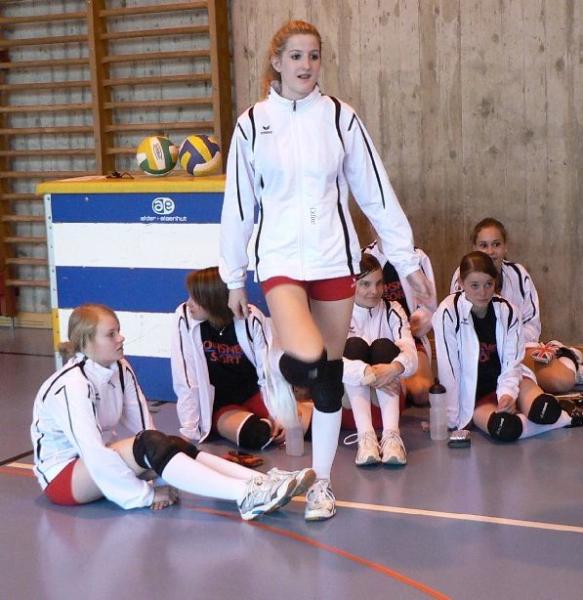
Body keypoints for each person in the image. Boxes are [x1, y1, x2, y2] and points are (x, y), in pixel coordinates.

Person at [219, 20, 434, 520]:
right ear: (277, 62)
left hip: (334, 260)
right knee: (309, 358)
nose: (306, 65)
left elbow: (375, 193)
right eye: (296, 56)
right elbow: (238, 205)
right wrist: (234, 276)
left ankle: (321, 484)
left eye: (313, 56)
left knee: (329, 379)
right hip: (278, 261)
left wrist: (405, 261)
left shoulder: (341, 117)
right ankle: (279, 366)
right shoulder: (252, 124)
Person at [31, 304, 314, 520]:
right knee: (150, 445)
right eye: (111, 334)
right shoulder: (71, 385)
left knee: (168, 442)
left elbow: (145, 428)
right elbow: (93, 453)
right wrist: (144, 495)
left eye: (119, 330)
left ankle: (261, 482)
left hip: (96, 465)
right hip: (65, 479)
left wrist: (163, 469)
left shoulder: (120, 368)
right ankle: (247, 495)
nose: (121, 338)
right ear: (85, 343)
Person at [435, 252, 583, 441]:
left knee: (544, 410)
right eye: (474, 285)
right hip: (475, 395)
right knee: (504, 428)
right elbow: (448, 370)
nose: (482, 292)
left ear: (495, 282)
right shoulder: (448, 312)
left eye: (488, 284)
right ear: (461, 283)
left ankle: (558, 408)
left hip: (510, 380)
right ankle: (569, 417)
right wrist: (450, 420)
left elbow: (512, 363)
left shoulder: (508, 311)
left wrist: (508, 395)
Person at [450, 217, 583, 393]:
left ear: (505, 247)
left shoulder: (519, 275)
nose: (490, 251)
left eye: (496, 244)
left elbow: (531, 325)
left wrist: (508, 347)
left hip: (516, 350)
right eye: (483, 245)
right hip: (478, 356)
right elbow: (457, 328)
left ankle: (568, 356)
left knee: (560, 381)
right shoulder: (463, 277)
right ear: (474, 248)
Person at [171, 267, 312, 448]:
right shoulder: (185, 317)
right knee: (255, 435)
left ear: (213, 300)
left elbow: (267, 370)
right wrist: (189, 430)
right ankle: (271, 418)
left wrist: (277, 414)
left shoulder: (250, 317)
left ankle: (309, 408)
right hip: (220, 405)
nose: (189, 303)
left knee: (305, 426)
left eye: (196, 298)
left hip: (253, 395)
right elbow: (186, 379)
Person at [342, 254, 418, 466]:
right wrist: (366, 373)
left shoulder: (393, 309)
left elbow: (411, 353)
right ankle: (365, 438)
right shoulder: (340, 312)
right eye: (365, 284)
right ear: (352, 284)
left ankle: (392, 437)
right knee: (353, 346)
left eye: (378, 283)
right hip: (350, 408)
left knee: (384, 346)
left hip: (389, 402)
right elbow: (331, 364)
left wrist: (394, 368)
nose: (374, 291)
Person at [364, 238, 436, 404]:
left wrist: (413, 324)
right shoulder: (363, 257)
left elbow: (429, 306)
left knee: (421, 392)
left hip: (409, 334)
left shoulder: (417, 256)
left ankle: (395, 383)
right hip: (373, 335)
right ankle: (392, 388)